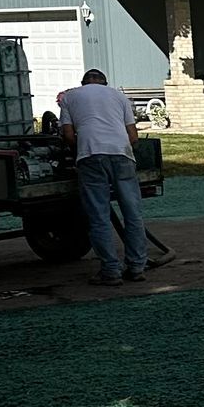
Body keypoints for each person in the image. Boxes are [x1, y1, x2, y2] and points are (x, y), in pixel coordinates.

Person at [56, 66, 148, 283]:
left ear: (83, 83)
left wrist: (81, 148)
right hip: (122, 154)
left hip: (90, 155)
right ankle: (136, 267)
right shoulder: (119, 96)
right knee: (132, 214)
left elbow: (68, 135)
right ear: (104, 83)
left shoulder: (69, 97)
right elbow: (133, 136)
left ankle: (110, 271)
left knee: (99, 216)